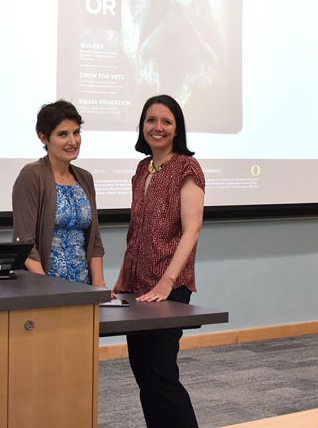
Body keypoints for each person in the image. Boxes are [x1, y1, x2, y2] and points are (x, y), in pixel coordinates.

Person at [114, 94, 205, 428]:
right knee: (145, 379)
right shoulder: (142, 169)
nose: (158, 127)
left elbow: (191, 230)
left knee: (163, 377)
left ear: (177, 128)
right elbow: (135, 231)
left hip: (169, 289)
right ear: (142, 126)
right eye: (151, 120)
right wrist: (122, 278)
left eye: (166, 121)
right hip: (136, 290)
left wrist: (166, 281)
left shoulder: (186, 167)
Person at [11, 100, 107, 290]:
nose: (73, 141)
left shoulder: (85, 178)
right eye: (63, 134)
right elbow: (25, 243)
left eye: (76, 132)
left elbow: (95, 241)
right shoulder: (32, 175)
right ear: (44, 138)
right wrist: (46, 289)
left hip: (84, 289)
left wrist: (99, 286)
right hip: (44, 288)